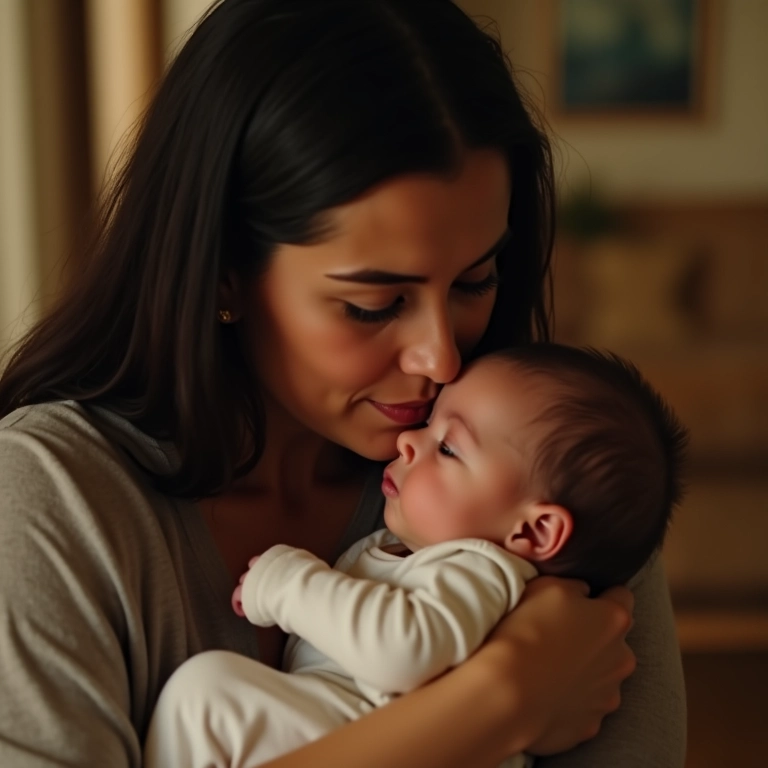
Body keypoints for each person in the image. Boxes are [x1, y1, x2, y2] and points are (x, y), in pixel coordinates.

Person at [0, 1, 685, 766]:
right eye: (372, 304)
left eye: (475, 279)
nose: (441, 360)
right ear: (224, 271)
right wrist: (499, 700)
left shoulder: (549, 475)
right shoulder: (50, 500)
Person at [143, 344, 688, 768]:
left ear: (536, 529)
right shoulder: (425, 554)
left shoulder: (481, 568)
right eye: (430, 425)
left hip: (377, 732)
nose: (409, 441)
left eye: (448, 447)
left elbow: (404, 651)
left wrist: (288, 584)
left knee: (205, 695)